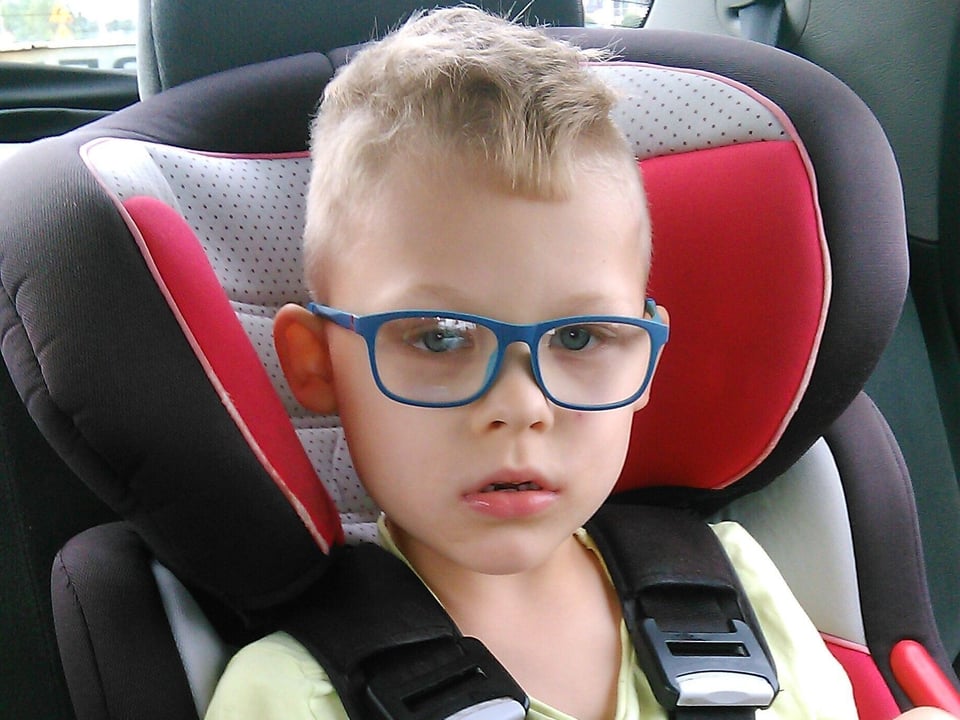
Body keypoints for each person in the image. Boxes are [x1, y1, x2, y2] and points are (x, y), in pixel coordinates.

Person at [204, 7, 956, 720]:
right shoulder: (295, 696)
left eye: (579, 339)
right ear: (318, 365)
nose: (522, 406)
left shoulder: (734, 585)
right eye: (439, 337)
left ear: (646, 359)